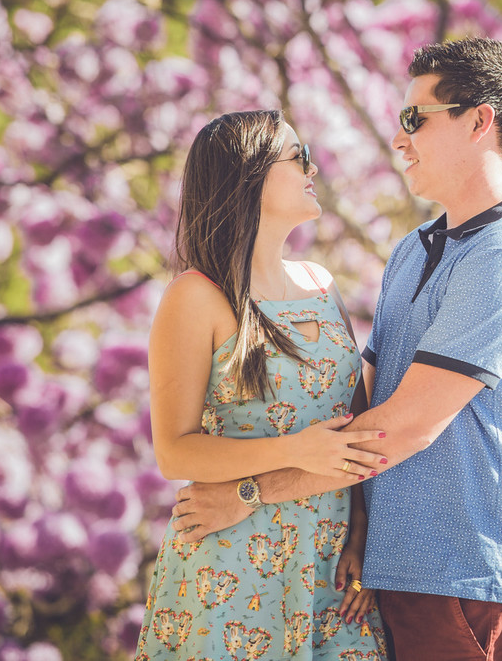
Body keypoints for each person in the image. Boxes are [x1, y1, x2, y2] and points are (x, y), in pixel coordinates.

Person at [172, 38, 502, 660]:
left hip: (472, 585)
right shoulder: (415, 249)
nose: (399, 138)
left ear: (478, 121)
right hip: (389, 581)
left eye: (416, 118)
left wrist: (249, 492)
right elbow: (359, 397)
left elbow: (400, 429)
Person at [136, 109, 390, 660]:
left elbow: (359, 422)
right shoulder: (196, 296)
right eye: (297, 157)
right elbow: (174, 450)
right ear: (249, 175)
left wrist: (365, 533)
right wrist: (297, 450)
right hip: (232, 569)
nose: (312, 167)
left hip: (333, 570)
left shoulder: (321, 284)